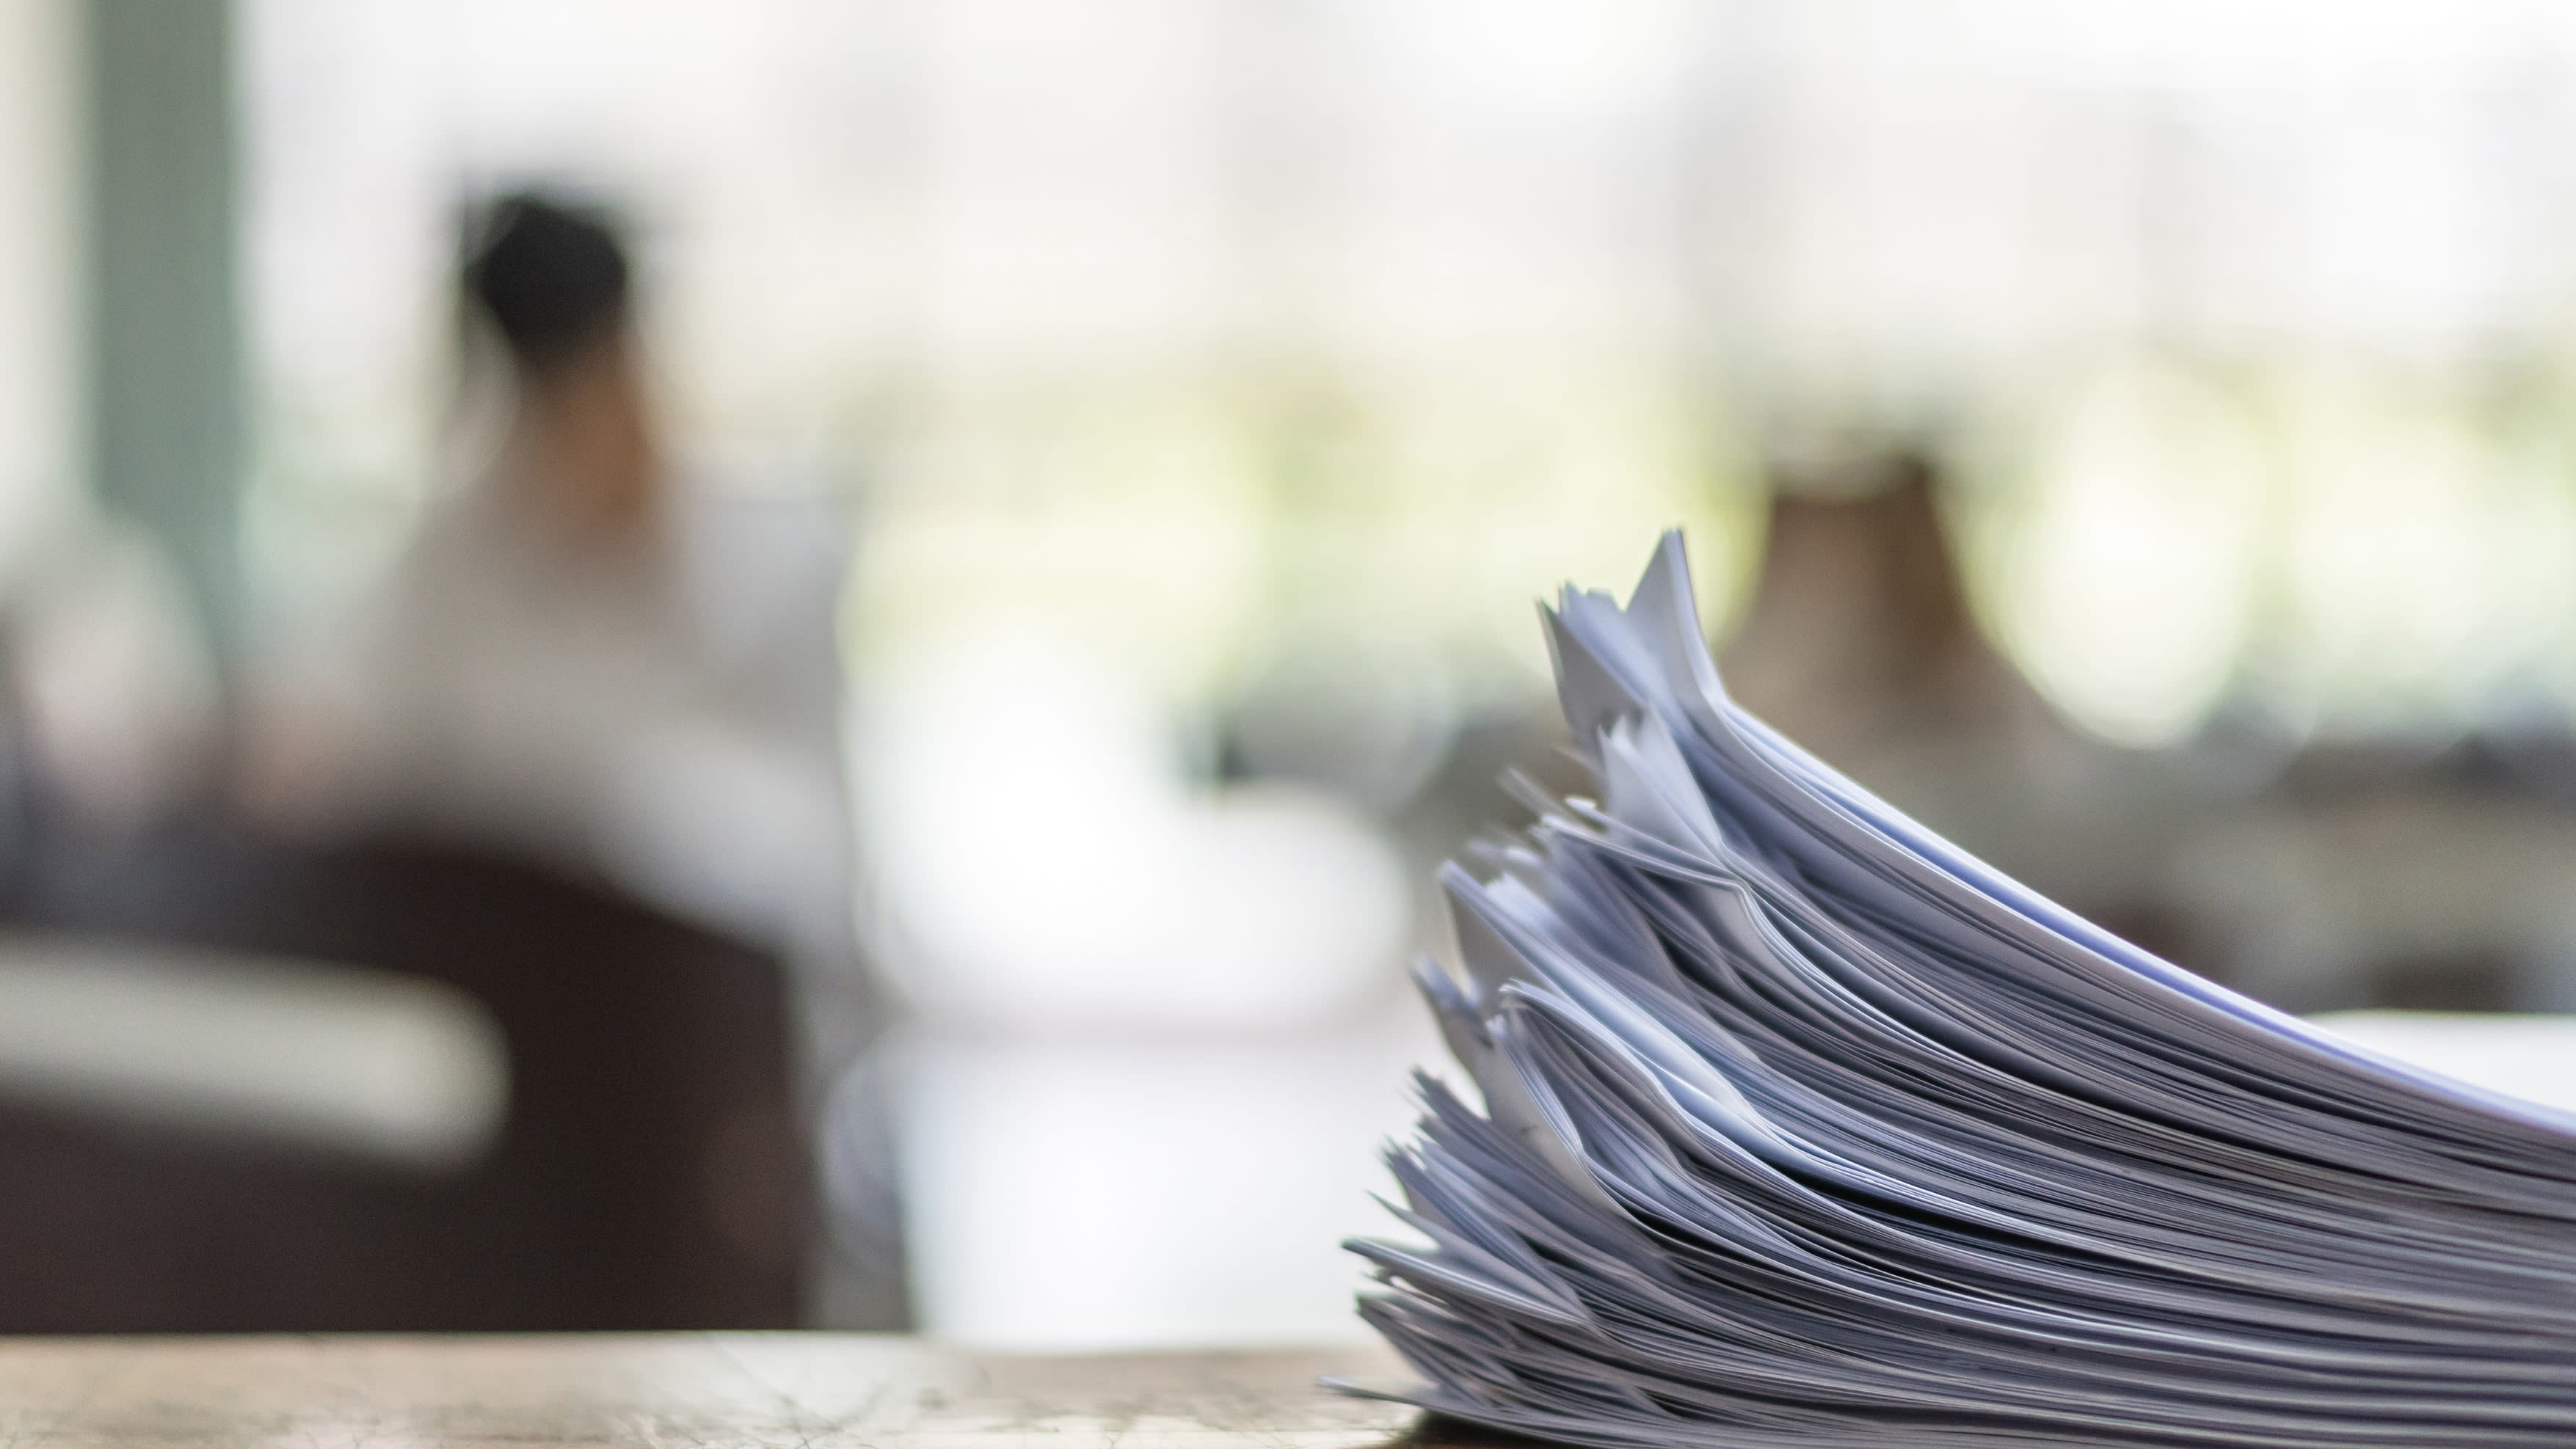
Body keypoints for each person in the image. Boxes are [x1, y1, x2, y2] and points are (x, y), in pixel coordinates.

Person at [271, 189, 903, 1326]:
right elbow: (355, 778)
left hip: (728, 1102)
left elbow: (824, 869)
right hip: (523, 1127)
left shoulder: (771, 566)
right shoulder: (444, 571)